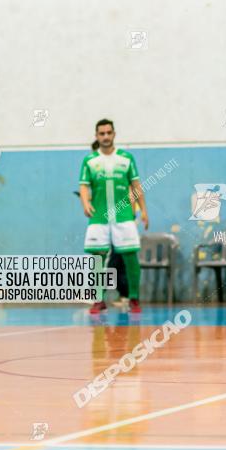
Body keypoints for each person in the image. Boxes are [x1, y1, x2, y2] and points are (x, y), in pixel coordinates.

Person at [79, 119, 148, 314]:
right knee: (97, 258)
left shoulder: (126, 158)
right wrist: (85, 203)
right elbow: (83, 186)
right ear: (96, 136)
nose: (105, 137)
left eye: (109, 133)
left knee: (130, 256)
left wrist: (144, 210)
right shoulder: (90, 161)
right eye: (102, 134)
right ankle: (98, 300)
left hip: (124, 216)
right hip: (99, 217)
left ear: (114, 134)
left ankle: (133, 298)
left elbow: (136, 186)